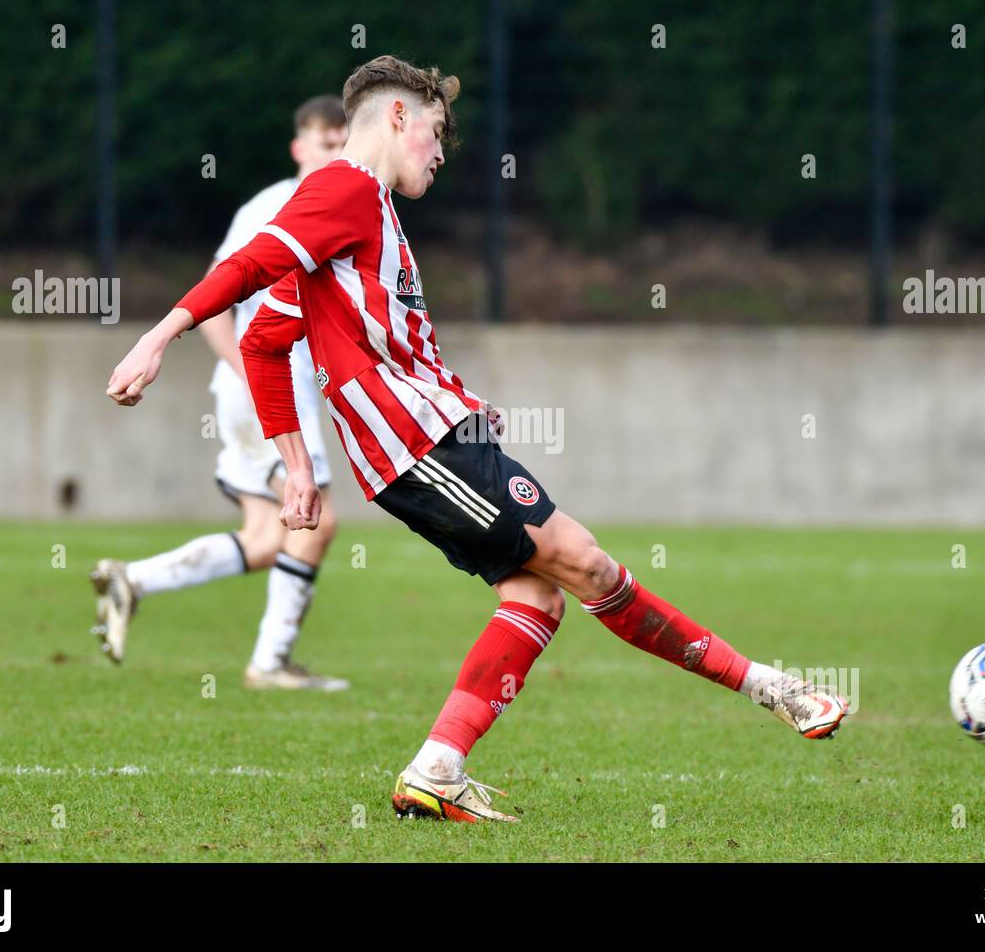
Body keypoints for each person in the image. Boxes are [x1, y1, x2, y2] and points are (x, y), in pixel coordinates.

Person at [104, 55, 849, 823]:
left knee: (535, 597)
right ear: (398, 117)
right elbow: (250, 266)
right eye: (436, 131)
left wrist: (298, 465)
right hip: (421, 448)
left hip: (429, 445)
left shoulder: (366, 215)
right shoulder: (343, 188)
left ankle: (436, 769)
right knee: (588, 565)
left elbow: (264, 340)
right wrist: (161, 335)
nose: (440, 149)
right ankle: (772, 688)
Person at [90, 95, 349, 692]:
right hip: (263, 385)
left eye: (343, 143)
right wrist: (251, 375)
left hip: (279, 387)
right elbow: (216, 296)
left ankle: (133, 580)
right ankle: (271, 662)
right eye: (325, 143)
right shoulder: (273, 205)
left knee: (266, 541)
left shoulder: (343, 204)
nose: (336, 152)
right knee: (321, 520)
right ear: (299, 147)